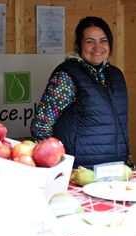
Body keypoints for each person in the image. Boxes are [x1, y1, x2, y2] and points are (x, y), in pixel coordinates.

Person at [31, 16, 129, 169]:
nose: (98, 47)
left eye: (103, 41)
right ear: (79, 45)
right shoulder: (67, 76)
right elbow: (41, 124)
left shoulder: (116, 75)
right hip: (78, 170)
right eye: (90, 41)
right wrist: (53, 164)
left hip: (114, 169)